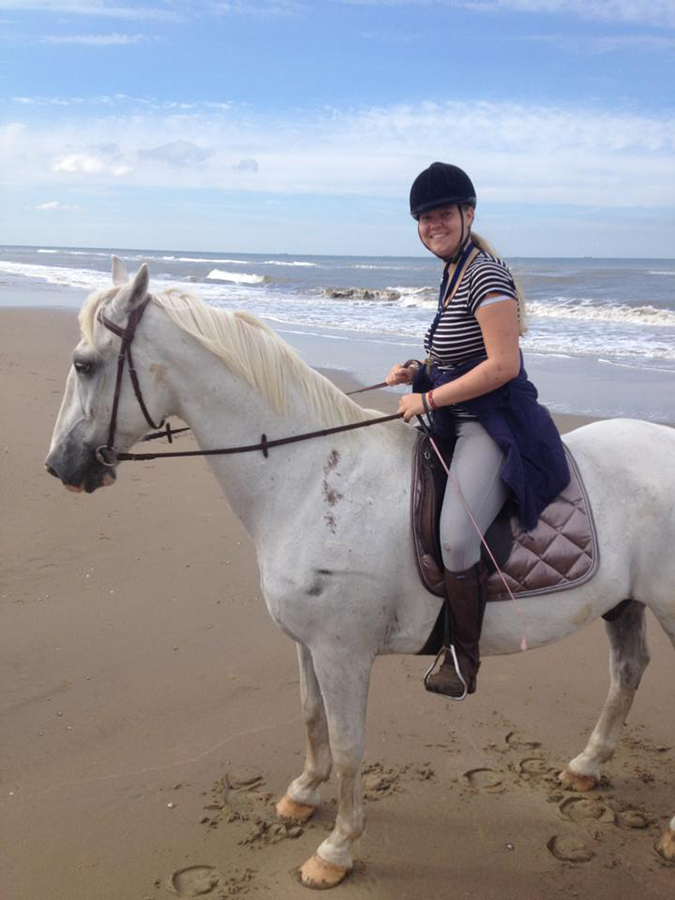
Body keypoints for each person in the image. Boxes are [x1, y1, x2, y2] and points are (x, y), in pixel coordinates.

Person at [387, 162, 569, 699]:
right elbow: (457, 355)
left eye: (442, 214)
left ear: (468, 214)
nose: (431, 225)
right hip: (453, 416)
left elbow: (501, 366)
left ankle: (462, 659)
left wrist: (427, 397)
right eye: (423, 218)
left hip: (492, 424)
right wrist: (417, 371)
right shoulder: (452, 271)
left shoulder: (486, 274)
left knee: (457, 539)